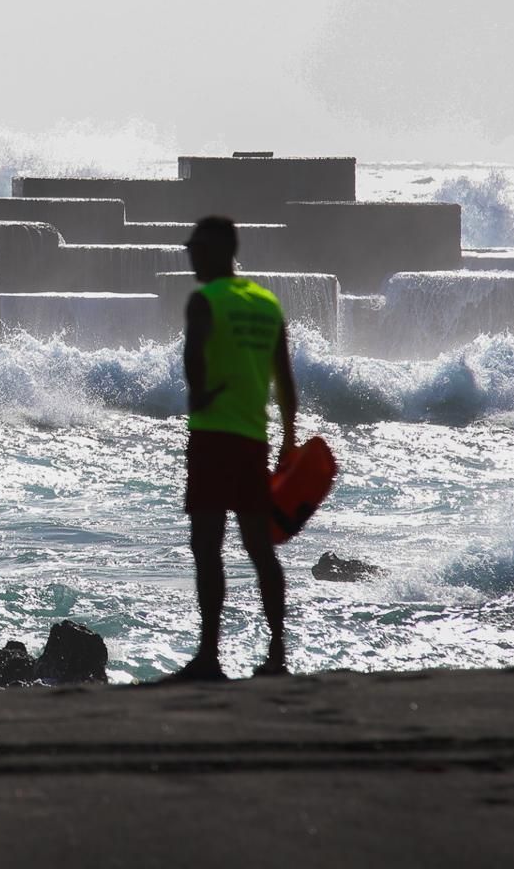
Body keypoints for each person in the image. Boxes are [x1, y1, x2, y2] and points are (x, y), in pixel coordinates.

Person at [171, 214, 297, 680]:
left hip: (211, 437)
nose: (191, 257)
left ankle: (209, 657)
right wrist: (289, 437)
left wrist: (198, 393)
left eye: (198, 250)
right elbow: (284, 378)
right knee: (260, 547)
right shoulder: (267, 304)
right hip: (253, 441)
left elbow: (192, 358)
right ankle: (277, 654)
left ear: (222, 252)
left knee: (207, 545)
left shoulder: (205, 300)